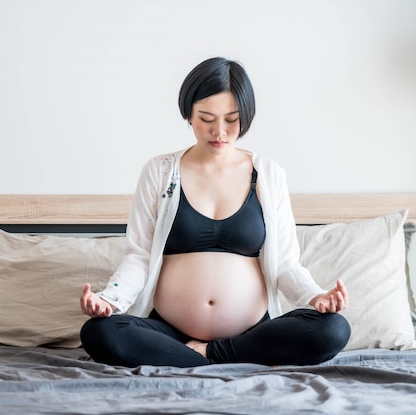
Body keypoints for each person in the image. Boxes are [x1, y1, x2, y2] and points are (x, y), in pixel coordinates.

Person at [79, 57, 351, 368]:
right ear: (188, 113)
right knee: (99, 332)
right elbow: (140, 255)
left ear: (246, 116)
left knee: (333, 329)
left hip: (252, 331)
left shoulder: (268, 174)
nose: (219, 131)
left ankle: (206, 356)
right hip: (169, 331)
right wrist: (109, 300)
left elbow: (286, 264)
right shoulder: (160, 171)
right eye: (206, 118)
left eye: (231, 119)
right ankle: (211, 357)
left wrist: (318, 298)